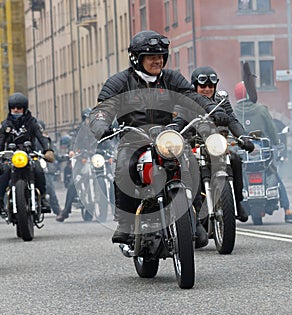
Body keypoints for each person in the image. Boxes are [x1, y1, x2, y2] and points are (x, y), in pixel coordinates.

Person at [89, 30, 230, 245]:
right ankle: (125, 223)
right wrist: (101, 125)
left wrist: (213, 110)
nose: (158, 61)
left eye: (161, 56)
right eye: (151, 56)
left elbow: (192, 97)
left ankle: (194, 220)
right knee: (125, 164)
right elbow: (103, 109)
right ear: (137, 58)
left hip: (168, 138)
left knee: (191, 165)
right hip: (134, 138)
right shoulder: (120, 82)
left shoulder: (172, 78)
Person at [190, 66, 255, 225]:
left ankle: (237, 202)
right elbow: (179, 122)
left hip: (217, 145)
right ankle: (191, 212)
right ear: (195, 86)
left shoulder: (221, 100)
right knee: (187, 166)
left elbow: (232, 120)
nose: (207, 89)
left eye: (210, 86)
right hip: (194, 146)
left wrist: (243, 137)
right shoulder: (188, 101)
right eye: (203, 86)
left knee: (235, 160)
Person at [234, 81, 292, 223]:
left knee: (234, 178)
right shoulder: (262, 109)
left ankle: (231, 209)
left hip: (243, 156)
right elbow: (272, 130)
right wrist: (276, 143)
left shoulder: (233, 111)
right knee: (276, 176)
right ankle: (287, 211)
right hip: (263, 155)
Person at [0, 92, 54, 215]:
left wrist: (48, 150)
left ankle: (43, 198)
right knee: (4, 172)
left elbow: (43, 136)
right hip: (11, 157)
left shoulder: (32, 122)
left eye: (19, 108)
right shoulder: (5, 125)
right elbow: (0, 140)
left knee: (39, 170)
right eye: (13, 108)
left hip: (30, 155)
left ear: (24, 108)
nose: (16, 110)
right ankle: (0, 200)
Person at [56, 107, 96, 222]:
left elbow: (106, 140)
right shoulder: (79, 131)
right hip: (82, 159)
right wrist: (72, 150)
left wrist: (111, 149)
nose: (88, 121)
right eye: (86, 119)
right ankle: (65, 212)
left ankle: (116, 209)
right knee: (73, 183)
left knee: (110, 175)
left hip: (96, 160)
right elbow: (73, 141)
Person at [37, 120, 63, 217]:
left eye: (41, 129)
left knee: (49, 186)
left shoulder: (45, 139)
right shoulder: (30, 137)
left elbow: (52, 150)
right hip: (31, 164)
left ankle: (58, 210)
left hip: (44, 166)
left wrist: (52, 155)